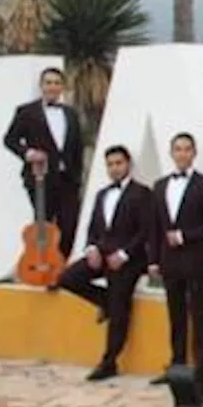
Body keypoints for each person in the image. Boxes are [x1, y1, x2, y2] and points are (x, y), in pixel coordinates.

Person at [56, 145, 154, 382]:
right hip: (102, 254)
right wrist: (91, 249)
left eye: (118, 163)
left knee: (120, 306)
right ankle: (104, 300)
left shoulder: (142, 193)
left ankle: (109, 361)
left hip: (128, 259)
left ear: (128, 164)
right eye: (110, 164)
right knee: (67, 278)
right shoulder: (102, 194)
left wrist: (124, 254)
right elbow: (94, 228)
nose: (114, 168)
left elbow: (146, 230)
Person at [147, 133, 203, 396]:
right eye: (177, 149)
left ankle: (202, 372)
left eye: (187, 149)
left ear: (194, 153)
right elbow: (155, 226)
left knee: (200, 315)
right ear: (171, 153)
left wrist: (185, 235)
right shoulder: (159, 186)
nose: (182, 154)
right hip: (169, 261)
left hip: (196, 259)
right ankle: (177, 367)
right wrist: (153, 260)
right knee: (175, 315)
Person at [2, 66, 84, 261]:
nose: (52, 87)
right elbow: (10, 139)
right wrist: (28, 153)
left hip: (68, 180)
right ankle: (42, 266)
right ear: (41, 86)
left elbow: (77, 147)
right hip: (41, 178)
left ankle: (60, 267)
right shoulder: (26, 112)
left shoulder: (71, 114)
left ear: (63, 87)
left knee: (69, 224)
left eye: (57, 83)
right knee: (43, 226)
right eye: (48, 82)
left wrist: (78, 176)